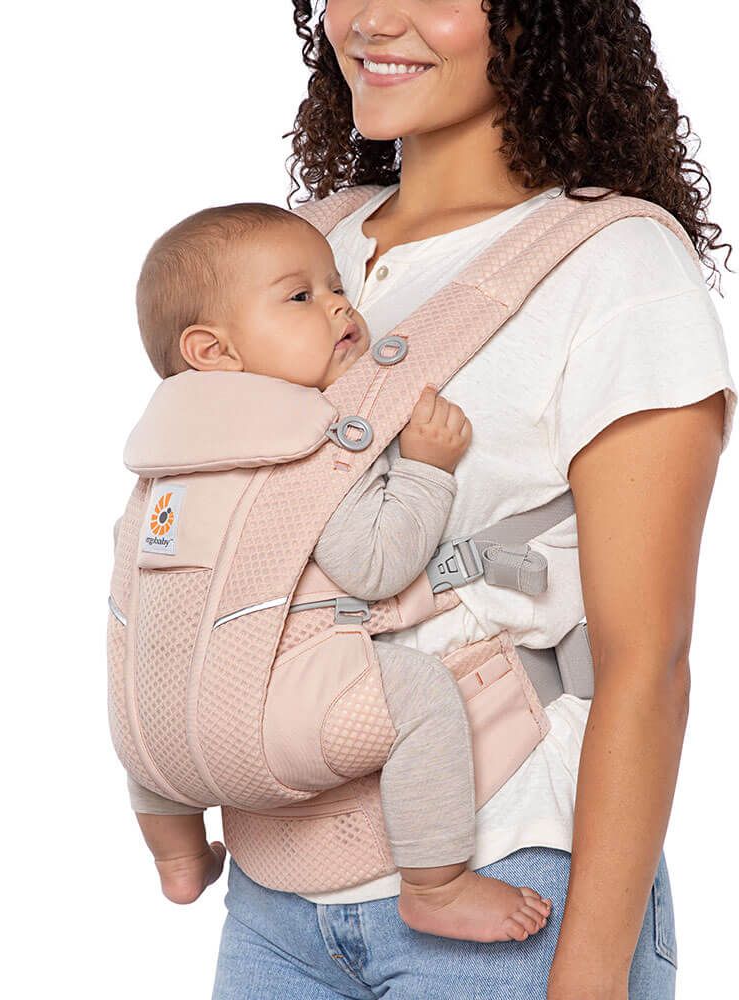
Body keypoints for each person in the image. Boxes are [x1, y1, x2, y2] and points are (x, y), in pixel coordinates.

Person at [210, 3, 739, 997]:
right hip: (277, 892)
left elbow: (646, 661)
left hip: (512, 880)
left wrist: (588, 979)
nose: (376, 20)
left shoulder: (613, 268)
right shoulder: (301, 248)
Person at [125, 202, 555, 943]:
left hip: (155, 738)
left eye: (336, 287)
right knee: (424, 696)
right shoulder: (303, 438)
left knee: (149, 689)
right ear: (212, 350)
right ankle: (438, 885)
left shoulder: (161, 457)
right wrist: (423, 470)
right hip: (278, 721)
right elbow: (376, 565)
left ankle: (180, 857)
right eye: (301, 296)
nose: (338, 306)